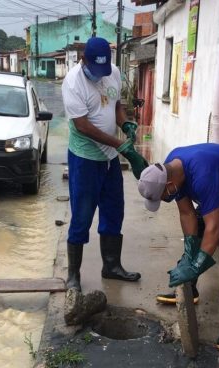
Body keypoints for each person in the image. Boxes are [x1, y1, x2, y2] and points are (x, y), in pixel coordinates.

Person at [137, 143, 219, 350]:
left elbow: (214, 228)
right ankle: (190, 290)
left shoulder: (202, 176)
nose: (164, 201)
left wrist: (196, 265)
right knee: (197, 233)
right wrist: (190, 251)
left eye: (163, 197)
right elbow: (187, 213)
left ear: (170, 184)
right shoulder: (172, 166)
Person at [61, 37, 148, 292]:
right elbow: (82, 125)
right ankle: (73, 275)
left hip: (109, 159)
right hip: (85, 159)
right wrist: (119, 144)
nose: (100, 76)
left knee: (113, 210)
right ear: (83, 60)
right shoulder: (73, 82)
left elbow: (116, 104)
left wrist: (125, 123)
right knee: (82, 215)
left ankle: (111, 266)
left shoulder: (113, 73)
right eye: (95, 69)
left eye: (104, 70)